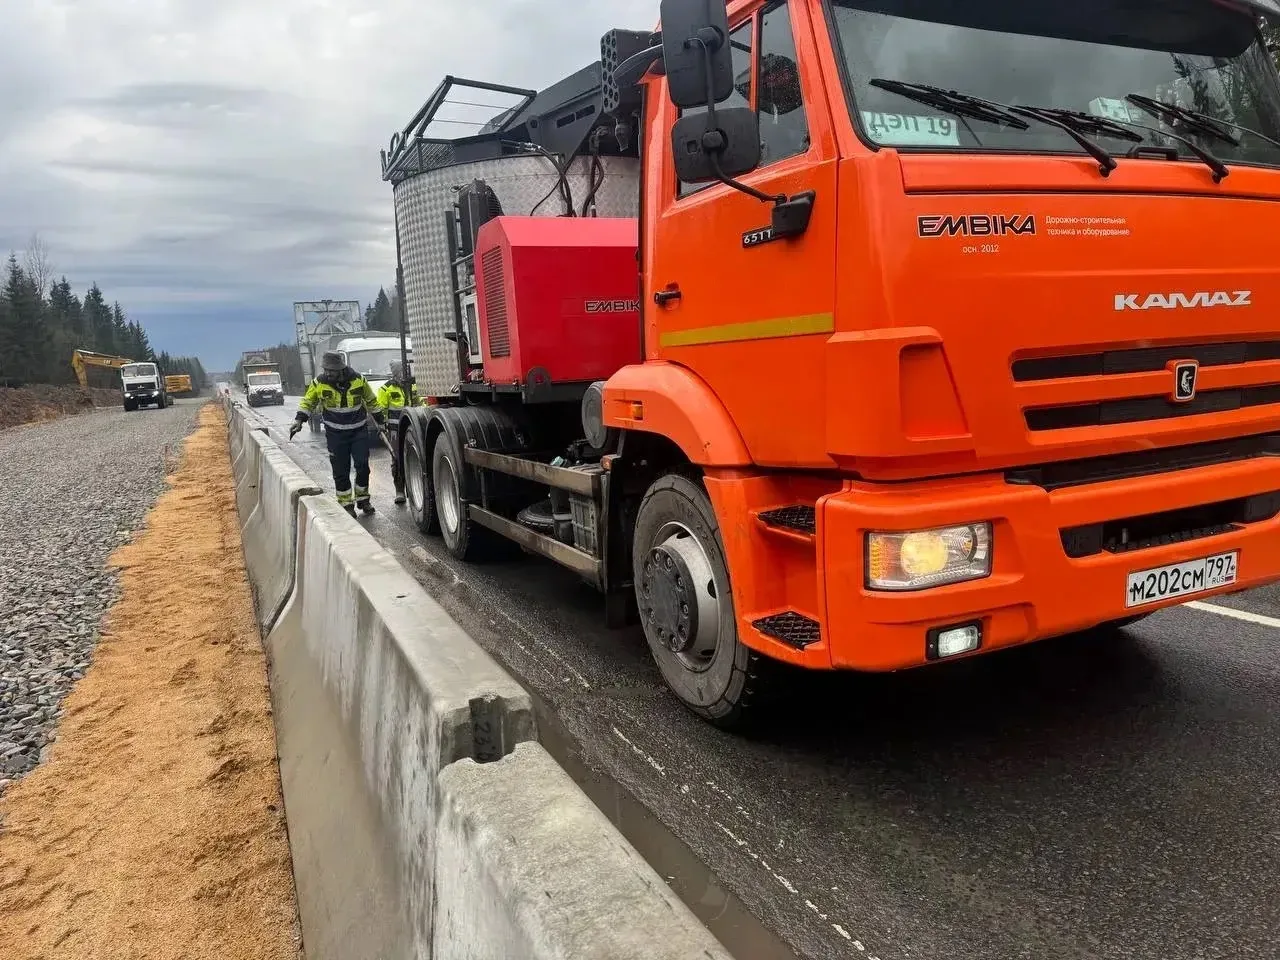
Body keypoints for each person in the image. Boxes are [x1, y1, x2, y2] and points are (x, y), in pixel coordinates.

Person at [289, 351, 383, 516]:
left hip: (358, 431)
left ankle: (363, 500)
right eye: (325, 369)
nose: (327, 373)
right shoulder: (319, 382)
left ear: (340, 369)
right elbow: (308, 401)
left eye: (331, 370)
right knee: (341, 470)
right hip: (335, 434)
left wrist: (381, 422)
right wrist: (299, 420)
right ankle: (346, 504)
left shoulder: (358, 380)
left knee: (362, 466)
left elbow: (371, 401)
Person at [374, 360, 422, 505]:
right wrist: (381, 426)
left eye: (405, 371)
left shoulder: (413, 386)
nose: (404, 375)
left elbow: (420, 403)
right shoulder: (386, 389)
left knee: (415, 459)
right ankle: (399, 490)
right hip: (395, 431)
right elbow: (380, 410)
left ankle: (415, 489)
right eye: (401, 372)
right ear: (395, 373)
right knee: (397, 459)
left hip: (413, 429)